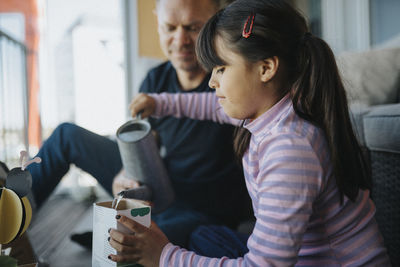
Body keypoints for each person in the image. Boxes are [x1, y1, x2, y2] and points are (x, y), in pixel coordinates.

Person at [107, 0, 391, 266]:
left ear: (265, 68)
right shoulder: (277, 110)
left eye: (221, 68)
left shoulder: (289, 149)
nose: (213, 81)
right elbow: (207, 107)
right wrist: (160, 103)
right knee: (203, 236)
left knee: (179, 245)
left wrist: (164, 256)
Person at [26, 0, 251, 250]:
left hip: (207, 210)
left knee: (129, 246)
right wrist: (126, 175)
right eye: (169, 27)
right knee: (66, 135)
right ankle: (12, 216)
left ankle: (114, 237)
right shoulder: (155, 79)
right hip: (162, 188)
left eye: (193, 27)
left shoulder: (232, 80)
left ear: (215, 22)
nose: (180, 40)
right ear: (158, 23)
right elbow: (146, 146)